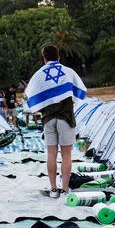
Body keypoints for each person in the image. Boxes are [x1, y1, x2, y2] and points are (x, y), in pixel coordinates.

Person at [24, 44, 86, 199]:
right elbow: (81, 92)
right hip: (65, 118)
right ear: (58, 56)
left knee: (51, 154)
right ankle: (65, 190)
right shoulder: (68, 72)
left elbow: (29, 98)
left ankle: (53, 189)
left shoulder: (38, 75)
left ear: (44, 58)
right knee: (66, 155)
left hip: (48, 119)